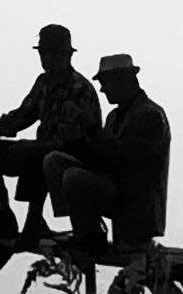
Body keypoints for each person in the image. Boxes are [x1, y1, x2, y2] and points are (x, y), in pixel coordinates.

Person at [0, 24, 102, 241]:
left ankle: (33, 221)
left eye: (50, 53)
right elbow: (19, 118)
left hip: (73, 159)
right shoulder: (43, 82)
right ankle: (3, 216)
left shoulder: (80, 89)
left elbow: (74, 141)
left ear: (66, 55)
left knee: (37, 153)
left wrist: (32, 146)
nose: (45, 58)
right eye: (43, 53)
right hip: (43, 150)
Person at [43, 52, 170, 254]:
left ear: (123, 80)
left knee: (74, 177)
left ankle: (90, 235)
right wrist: (76, 141)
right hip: (117, 190)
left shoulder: (150, 115)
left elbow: (123, 160)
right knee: (55, 161)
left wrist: (90, 132)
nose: (102, 89)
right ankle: (86, 231)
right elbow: (104, 158)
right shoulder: (114, 117)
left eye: (105, 83)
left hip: (137, 201)